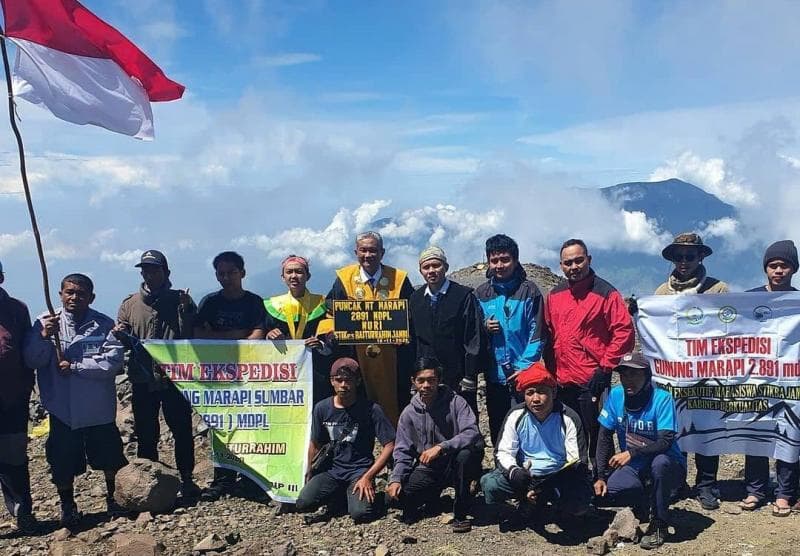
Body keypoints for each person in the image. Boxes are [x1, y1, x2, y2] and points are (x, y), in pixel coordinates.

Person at [23, 274, 127, 528]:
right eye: (69, 292)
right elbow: (32, 360)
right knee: (62, 461)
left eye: (81, 293)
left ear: (91, 297)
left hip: (97, 409)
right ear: (60, 294)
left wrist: (78, 367)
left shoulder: (103, 325)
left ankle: (113, 498)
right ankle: (67, 504)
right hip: (62, 409)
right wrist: (45, 337)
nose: (74, 297)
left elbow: (112, 363)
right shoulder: (44, 323)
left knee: (109, 457)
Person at [544, 239, 635, 475]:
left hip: (591, 378)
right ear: (561, 266)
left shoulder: (606, 293)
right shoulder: (554, 295)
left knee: (597, 431)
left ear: (589, 260)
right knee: (567, 431)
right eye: (568, 263)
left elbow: (624, 331)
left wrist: (605, 368)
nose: (574, 266)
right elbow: (548, 333)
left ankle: (600, 477)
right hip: (561, 380)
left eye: (578, 260)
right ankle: (572, 477)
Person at [115, 250, 199, 498]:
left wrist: (186, 310)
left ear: (166, 272)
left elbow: (191, 336)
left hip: (175, 379)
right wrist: (120, 334)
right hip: (142, 379)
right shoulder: (129, 304)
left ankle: (187, 478)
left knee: (182, 430)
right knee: (146, 432)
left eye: (155, 269)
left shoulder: (180, 300)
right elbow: (123, 341)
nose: (150, 274)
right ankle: (148, 481)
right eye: (146, 269)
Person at [654, 232, 728, 511]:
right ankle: (676, 481)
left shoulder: (718, 290)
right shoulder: (662, 292)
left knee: (707, 430)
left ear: (701, 257)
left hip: (708, 374)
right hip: (675, 375)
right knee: (677, 430)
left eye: (690, 256)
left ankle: (707, 484)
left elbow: (728, 326)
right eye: (678, 256)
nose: (683, 262)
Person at [194, 251, 268, 501]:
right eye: (221, 273)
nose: (226, 278)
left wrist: (220, 336)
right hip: (218, 379)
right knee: (221, 427)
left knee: (250, 424)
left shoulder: (255, 302)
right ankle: (222, 478)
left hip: (249, 377)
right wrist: (238, 335)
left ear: (242, 273)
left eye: (231, 272)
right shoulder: (209, 303)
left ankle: (250, 478)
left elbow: (258, 335)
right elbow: (198, 335)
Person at [594, 352, 686, 550]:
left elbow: (666, 441)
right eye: (625, 375)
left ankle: (660, 523)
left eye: (635, 375)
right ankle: (647, 502)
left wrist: (632, 453)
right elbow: (604, 435)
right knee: (613, 491)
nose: (629, 380)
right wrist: (600, 475)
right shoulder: (616, 395)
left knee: (660, 463)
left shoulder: (662, 398)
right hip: (635, 466)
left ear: (647, 377)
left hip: (669, 464)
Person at [480, 362, 592, 524]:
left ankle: (551, 503)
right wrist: (515, 473)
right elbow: (504, 452)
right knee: (489, 483)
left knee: (580, 501)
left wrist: (548, 487)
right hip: (526, 475)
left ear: (553, 393)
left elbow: (577, 459)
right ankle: (524, 501)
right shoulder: (515, 415)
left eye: (542, 392)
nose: (536, 399)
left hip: (558, 476)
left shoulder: (568, 417)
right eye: (530, 393)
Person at [387, 356, 483, 533]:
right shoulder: (408, 413)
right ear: (413, 382)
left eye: (431, 380)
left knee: (465, 456)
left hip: (455, 461)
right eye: (421, 380)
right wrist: (396, 478)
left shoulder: (457, 402)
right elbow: (402, 451)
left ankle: (461, 509)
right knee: (397, 498)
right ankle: (434, 495)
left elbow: (472, 432)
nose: (426, 385)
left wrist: (442, 447)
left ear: (439, 380)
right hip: (430, 467)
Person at [326, 231, 414, 424]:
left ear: (382, 252)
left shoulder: (398, 278)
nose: (368, 255)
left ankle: (397, 449)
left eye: (373, 250)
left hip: (392, 358)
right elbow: (330, 308)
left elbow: (412, 311)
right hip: (356, 357)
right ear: (356, 252)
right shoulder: (344, 278)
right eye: (363, 250)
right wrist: (335, 328)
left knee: (397, 407)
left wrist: (405, 331)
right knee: (360, 408)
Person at [296, 357, 395, 523]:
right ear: (332, 382)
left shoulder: (371, 409)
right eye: (339, 380)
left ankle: (378, 498)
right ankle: (341, 496)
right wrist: (309, 470)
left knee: (360, 514)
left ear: (357, 381)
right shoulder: (322, 408)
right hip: (333, 471)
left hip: (359, 471)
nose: (343, 385)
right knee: (303, 503)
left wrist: (368, 476)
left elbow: (390, 445)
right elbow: (315, 442)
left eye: (348, 380)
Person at [741, 240, 799, 516]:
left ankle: (785, 494)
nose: (778, 271)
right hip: (756, 381)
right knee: (756, 434)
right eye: (773, 265)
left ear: (793, 269)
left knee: (788, 434)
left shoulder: (798, 303)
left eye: (784, 265)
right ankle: (755, 490)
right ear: (766, 269)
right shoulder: (748, 300)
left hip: (790, 382)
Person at [474, 234, 545, 446]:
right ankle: (502, 469)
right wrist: (485, 327)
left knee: (526, 423)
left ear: (515, 260)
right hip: (494, 375)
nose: (499, 265)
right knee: (499, 425)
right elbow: (473, 333)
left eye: (505, 259)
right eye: (494, 260)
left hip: (523, 374)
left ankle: (529, 469)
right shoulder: (481, 293)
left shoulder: (529, 291)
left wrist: (524, 366)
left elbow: (538, 332)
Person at [408, 246, 483, 415]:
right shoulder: (415, 299)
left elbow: (472, 337)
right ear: (420, 271)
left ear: (446, 267)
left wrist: (470, 375)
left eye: (436, 265)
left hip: (457, 374)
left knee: (462, 417)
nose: (431, 271)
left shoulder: (463, 296)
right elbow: (414, 339)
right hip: (427, 375)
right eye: (426, 267)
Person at [264, 255, 335, 404]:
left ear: (308, 276)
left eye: (299, 272)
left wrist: (321, 344)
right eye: (289, 272)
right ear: (282, 277)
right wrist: (268, 335)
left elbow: (331, 338)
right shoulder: (271, 305)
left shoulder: (323, 304)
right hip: (283, 372)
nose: (294, 276)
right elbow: (261, 335)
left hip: (316, 371)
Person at [0, 260, 36, 533]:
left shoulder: (17, 309)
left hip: (13, 397)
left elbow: (27, 348)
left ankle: (22, 511)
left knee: (14, 457)